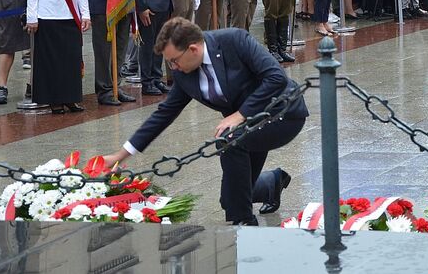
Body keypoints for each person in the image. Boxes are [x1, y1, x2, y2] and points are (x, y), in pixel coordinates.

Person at [101, 17, 308, 225]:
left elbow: (276, 77)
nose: (173, 67)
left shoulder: (234, 40)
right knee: (230, 199)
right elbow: (162, 115)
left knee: (228, 142)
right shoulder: (184, 73)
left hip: (282, 114)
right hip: (245, 128)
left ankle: (244, 225)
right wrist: (121, 155)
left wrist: (240, 114)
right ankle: (271, 184)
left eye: (174, 60)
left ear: (193, 49)